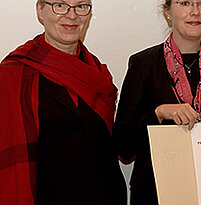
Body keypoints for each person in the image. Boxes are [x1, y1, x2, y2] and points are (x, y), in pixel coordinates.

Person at [112, 0, 201, 204]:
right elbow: (123, 145)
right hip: (155, 194)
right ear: (167, 11)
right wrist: (158, 114)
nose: (195, 11)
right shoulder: (142, 64)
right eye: (185, 3)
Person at [0, 0, 127, 204]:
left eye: (81, 6)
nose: (72, 15)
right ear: (40, 10)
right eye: (60, 5)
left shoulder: (97, 73)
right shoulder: (13, 74)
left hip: (103, 196)